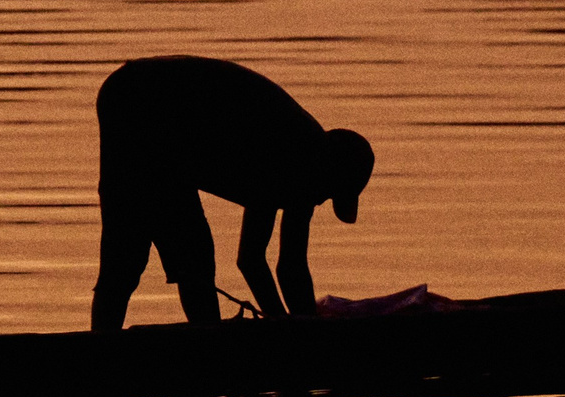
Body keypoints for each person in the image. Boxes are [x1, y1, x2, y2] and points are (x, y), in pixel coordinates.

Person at [91, 56, 373, 331]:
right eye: (332, 193)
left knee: (182, 254)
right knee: (161, 252)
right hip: (142, 101)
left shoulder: (306, 156)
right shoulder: (301, 159)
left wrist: (295, 322)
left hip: (138, 97)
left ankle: (115, 346)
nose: (322, 201)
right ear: (333, 172)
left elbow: (276, 265)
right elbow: (269, 263)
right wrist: (289, 326)